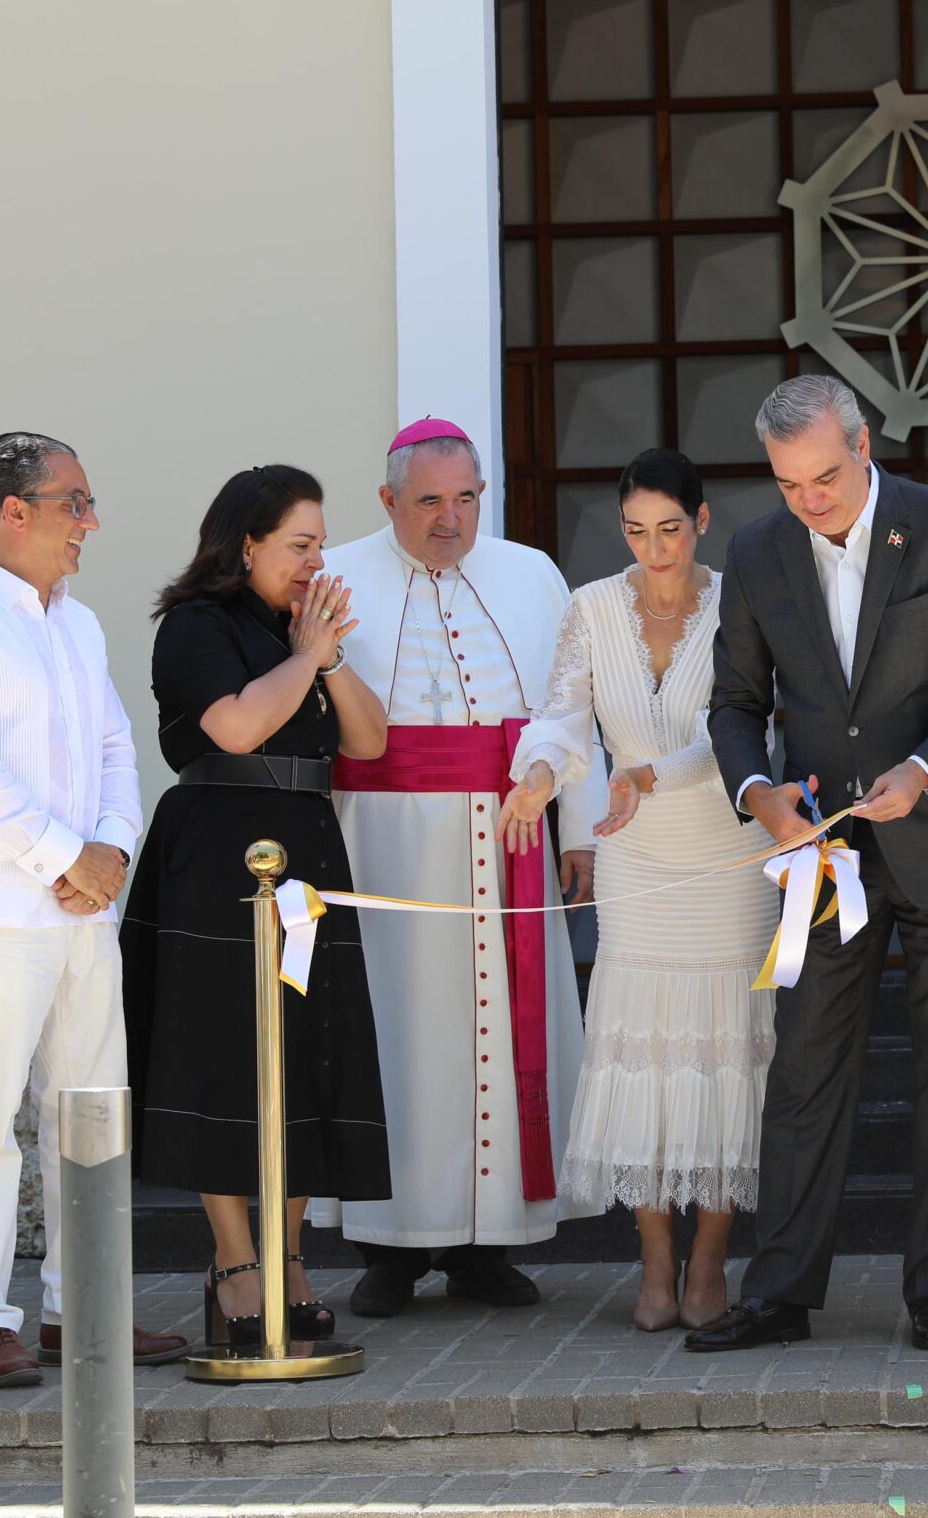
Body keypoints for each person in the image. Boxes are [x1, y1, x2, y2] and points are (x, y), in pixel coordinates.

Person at [690, 374, 928, 1354]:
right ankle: (782, 1293)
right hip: (823, 849)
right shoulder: (755, 552)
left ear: (865, 443)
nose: (811, 500)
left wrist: (925, 772)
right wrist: (757, 793)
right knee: (801, 1067)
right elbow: (734, 702)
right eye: (790, 484)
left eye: (826, 477)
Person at [0, 432, 188, 1387]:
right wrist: (67, 856)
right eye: (75, 503)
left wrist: (110, 854)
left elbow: (115, 748)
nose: (90, 523)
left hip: (83, 916)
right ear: (12, 511)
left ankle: (81, 1305)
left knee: (92, 1112)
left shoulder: (81, 623)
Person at [319, 420, 597, 1316]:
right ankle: (388, 1250)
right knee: (395, 1039)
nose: (451, 520)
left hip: (509, 838)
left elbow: (572, 710)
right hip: (379, 846)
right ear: (388, 499)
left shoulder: (532, 575)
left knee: (495, 1040)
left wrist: (577, 834)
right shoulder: (336, 577)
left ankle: (490, 1245)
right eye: (430, 500)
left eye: (467, 498)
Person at [502, 449, 778, 1332]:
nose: (653, 549)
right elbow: (561, 715)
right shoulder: (589, 607)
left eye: (669, 530)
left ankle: (709, 1260)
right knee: (646, 1057)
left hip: (727, 852)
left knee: (725, 1048)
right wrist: (540, 774)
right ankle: (654, 1257)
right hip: (635, 857)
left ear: (700, 521)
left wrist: (649, 772)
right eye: (634, 532)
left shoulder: (746, 598)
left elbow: (750, 726)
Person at [122, 465, 394, 1347]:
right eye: (301, 545)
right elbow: (235, 728)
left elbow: (369, 739)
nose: (318, 560)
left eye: (321, 543)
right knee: (225, 1053)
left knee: (307, 1046)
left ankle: (288, 1252)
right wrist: (306, 656)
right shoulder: (195, 626)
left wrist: (329, 653)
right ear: (248, 544)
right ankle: (235, 1263)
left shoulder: (303, 631)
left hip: (306, 848)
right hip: (220, 857)